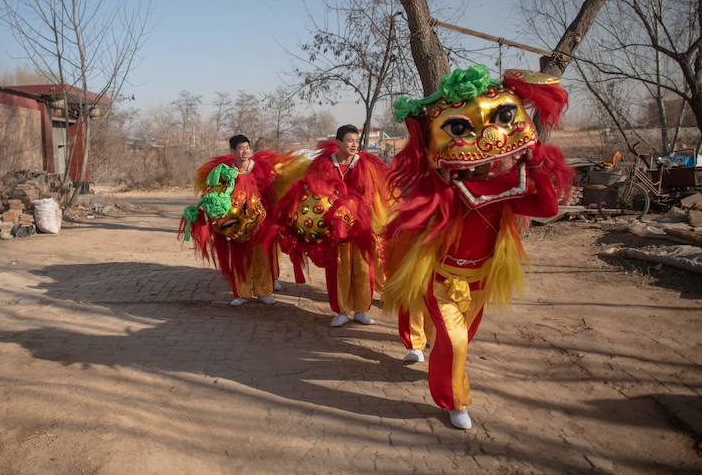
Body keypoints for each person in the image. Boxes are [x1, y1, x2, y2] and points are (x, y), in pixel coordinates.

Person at [381, 65, 573, 430]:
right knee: (456, 345)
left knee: (459, 341)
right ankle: (454, 401)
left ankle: (441, 369)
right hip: (441, 280)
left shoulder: (506, 190)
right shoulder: (444, 191)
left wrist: (537, 169)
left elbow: (546, 209)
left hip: (482, 280)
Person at [278, 125, 390, 327]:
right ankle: (341, 310)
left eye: (356, 140)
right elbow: (314, 190)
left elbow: (369, 195)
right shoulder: (324, 164)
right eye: (349, 140)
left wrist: (351, 209)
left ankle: (361, 309)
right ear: (337, 142)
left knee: (363, 267)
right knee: (338, 266)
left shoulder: (364, 164)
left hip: (360, 224)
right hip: (332, 225)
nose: (354, 144)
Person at [179, 135, 284, 305]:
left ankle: (263, 291)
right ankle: (242, 293)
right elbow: (216, 194)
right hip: (236, 222)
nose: (245, 151)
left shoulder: (259, 168)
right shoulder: (226, 172)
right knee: (239, 256)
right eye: (241, 148)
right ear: (233, 151)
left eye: (247, 147)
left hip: (260, 220)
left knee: (262, 255)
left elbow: (271, 191)